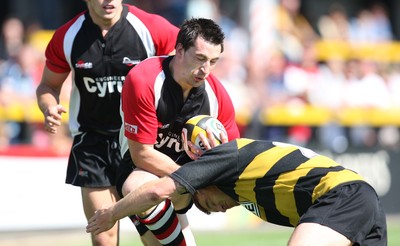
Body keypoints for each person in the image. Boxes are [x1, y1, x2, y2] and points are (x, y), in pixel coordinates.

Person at [35, 1, 179, 245]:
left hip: (141, 143)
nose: (108, 1)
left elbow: (183, 69)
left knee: (155, 237)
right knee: (104, 237)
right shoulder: (67, 36)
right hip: (93, 143)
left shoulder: (153, 28)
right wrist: (49, 106)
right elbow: (48, 86)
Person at [87, 135, 387, 246]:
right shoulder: (250, 196)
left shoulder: (224, 158)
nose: (213, 207)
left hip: (342, 196)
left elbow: (157, 192)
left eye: (202, 201)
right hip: (361, 202)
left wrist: (111, 214)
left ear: (202, 179)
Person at [116, 17, 240, 245]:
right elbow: (141, 154)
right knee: (141, 190)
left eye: (213, 61)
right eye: (200, 58)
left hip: (184, 182)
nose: (206, 70)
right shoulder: (144, 79)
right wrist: (193, 183)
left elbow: (232, 156)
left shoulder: (217, 96)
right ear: (179, 50)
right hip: (140, 169)